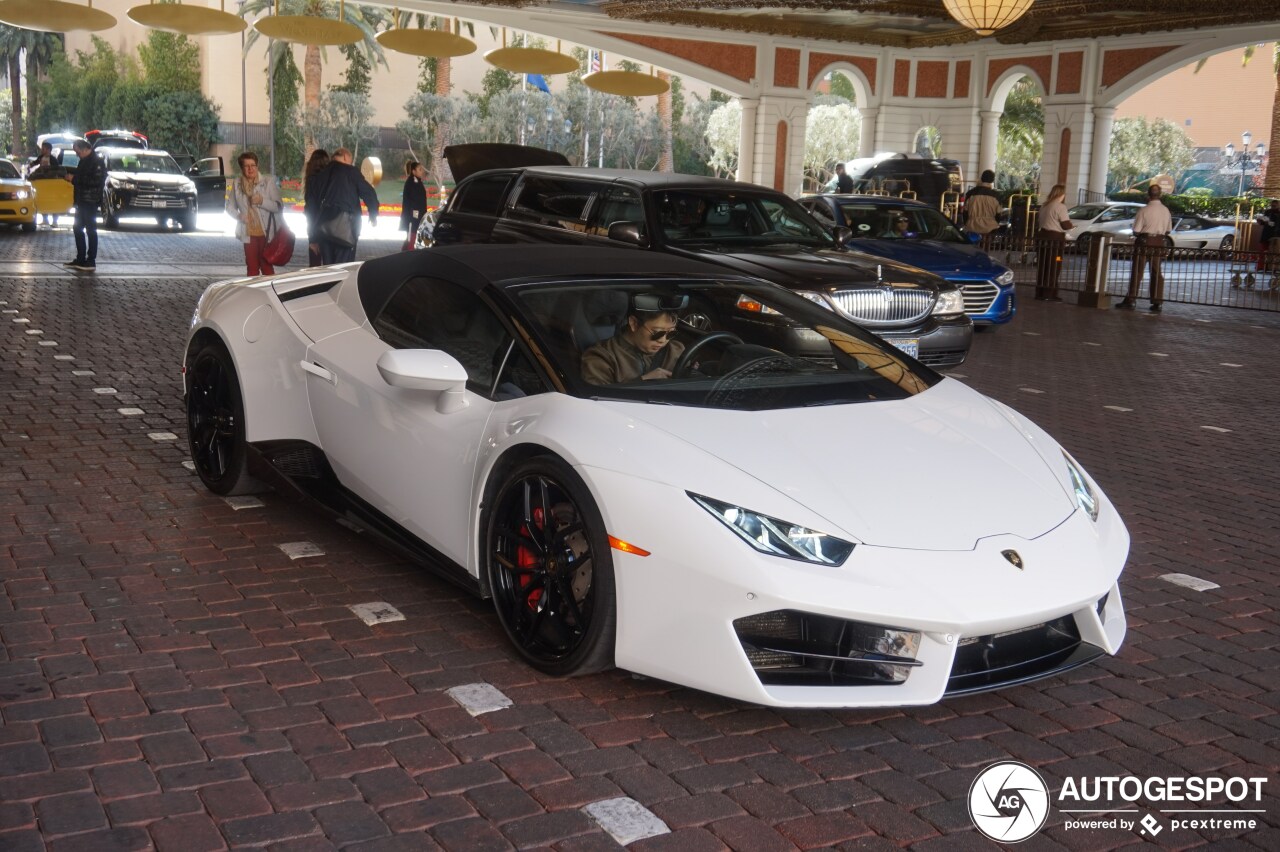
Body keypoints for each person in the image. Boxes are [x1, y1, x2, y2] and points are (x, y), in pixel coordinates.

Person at [581, 293, 688, 385]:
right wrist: (643, 381)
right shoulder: (602, 357)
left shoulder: (677, 351)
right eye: (657, 333)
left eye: (671, 333)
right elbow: (595, 402)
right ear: (634, 323)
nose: (663, 340)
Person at [310, 147, 379, 264]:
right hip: (346, 230)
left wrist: (313, 238)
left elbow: (312, 206)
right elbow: (368, 193)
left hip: (324, 230)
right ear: (346, 157)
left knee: (328, 268)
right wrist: (373, 213)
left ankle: (330, 283)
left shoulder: (321, 174)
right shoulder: (351, 172)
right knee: (344, 268)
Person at [225, 152, 283, 276]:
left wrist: (262, 201)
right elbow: (229, 207)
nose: (251, 169)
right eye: (247, 166)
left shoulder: (268, 182)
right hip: (248, 232)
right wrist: (239, 216)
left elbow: (278, 206)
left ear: (257, 166)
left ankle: (269, 293)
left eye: (253, 165)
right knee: (252, 267)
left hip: (266, 232)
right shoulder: (237, 183)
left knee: (266, 266)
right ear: (242, 168)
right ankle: (253, 294)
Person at [1118, 184, 1173, 312]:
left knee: (1138, 271)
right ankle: (1157, 301)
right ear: (1160, 195)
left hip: (1144, 241)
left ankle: (1131, 299)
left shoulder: (1144, 210)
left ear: (1148, 195)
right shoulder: (1166, 210)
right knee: (1156, 272)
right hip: (1159, 242)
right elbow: (1168, 230)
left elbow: (1136, 231)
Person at [64, 140, 105, 272]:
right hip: (82, 200)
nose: (77, 155)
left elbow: (96, 181)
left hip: (90, 201)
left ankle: (91, 260)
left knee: (91, 230)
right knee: (77, 228)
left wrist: (74, 179)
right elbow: (82, 175)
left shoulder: (96, 161)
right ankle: (81, 258)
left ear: (86, 149)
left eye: (78, 152)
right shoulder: (84, 160)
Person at [1034, 184, 1073, 301]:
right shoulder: (1060, 207)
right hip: (1055, 240)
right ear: (1062, 194)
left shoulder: (1044, 206)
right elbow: (1066, 225)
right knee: (1055, 264)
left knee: (1043, 265)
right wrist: (1072, 226)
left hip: (1042, 238)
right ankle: (1050, 293)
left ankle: (1040, 292)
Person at [302, 149, 330, 267]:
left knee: (315, 271)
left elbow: (311, 211)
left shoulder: (313, 181)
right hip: (331, 231)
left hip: (317, 232)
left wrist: (312, 239)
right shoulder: (330, 180)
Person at [963, 169, 1001, 249]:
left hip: (972, 225)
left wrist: (967, 223)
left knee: (972, 249)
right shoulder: (996, 195)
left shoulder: (970, 193)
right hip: (990, 227)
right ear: (992, 180)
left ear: (982, 178)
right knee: (985, 248)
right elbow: (998, 214)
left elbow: (965, 212)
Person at [28, 142, 60, 226]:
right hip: (42, 183)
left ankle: (55, 221)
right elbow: (35, 163)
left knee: (53, 202)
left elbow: (57, 169)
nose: (42, 150)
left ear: (48, 150)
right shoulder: (41, 157)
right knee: (43, 200)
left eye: (43, 149)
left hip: (51, 184)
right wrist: (30, 165)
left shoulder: (53, 159)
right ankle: (45, 219)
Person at [400, 160, 427, 251]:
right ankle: (407, 257)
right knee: (412, 238)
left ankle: (402, 255)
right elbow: (414, 201)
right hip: (413, 216)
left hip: (417, 215)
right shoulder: (412, 182)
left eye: (422, 169)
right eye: (420, 169)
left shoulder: (417, 181)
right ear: (413, 171)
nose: (422, 171)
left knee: (410, 238)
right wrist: (415, 215)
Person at [1257, 199, 1280, 282]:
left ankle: (1273, 267)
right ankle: (1262, 266)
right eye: (1272, 205)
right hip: (1266, 234)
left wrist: (1272, 224)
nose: (1273, 207)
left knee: (1274, 252)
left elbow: (1277, 224)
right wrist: (1261, 221)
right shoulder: (1268, 212)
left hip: (1275, 235)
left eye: (1275, 206)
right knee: (1263, 251)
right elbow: (1264, 221)